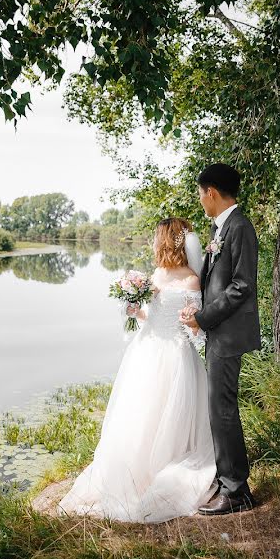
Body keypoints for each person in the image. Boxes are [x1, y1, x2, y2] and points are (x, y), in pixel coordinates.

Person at [57, 217, 217, 523]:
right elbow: (151, 317)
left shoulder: (192, 280)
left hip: (175, 353)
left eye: (157, 238)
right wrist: (135, 310)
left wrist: (191, 319)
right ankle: (135, 470)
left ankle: (166, 466)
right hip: (146, 350)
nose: (154, 242)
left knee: (171, 412)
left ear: (167, 241)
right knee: (141, 412)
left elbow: (197, 331)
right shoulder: (156, 274)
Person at [180, 162, 262, 515]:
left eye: (200, 194)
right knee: (218, 409)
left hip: (228, 333)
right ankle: (226, 478)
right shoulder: (223, 227)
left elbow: (242, 286)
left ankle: (237, 491)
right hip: (219, 331)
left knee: (222, 409)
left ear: (211, 192)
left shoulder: (240, 227)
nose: (200, 201)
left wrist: (204, 317)